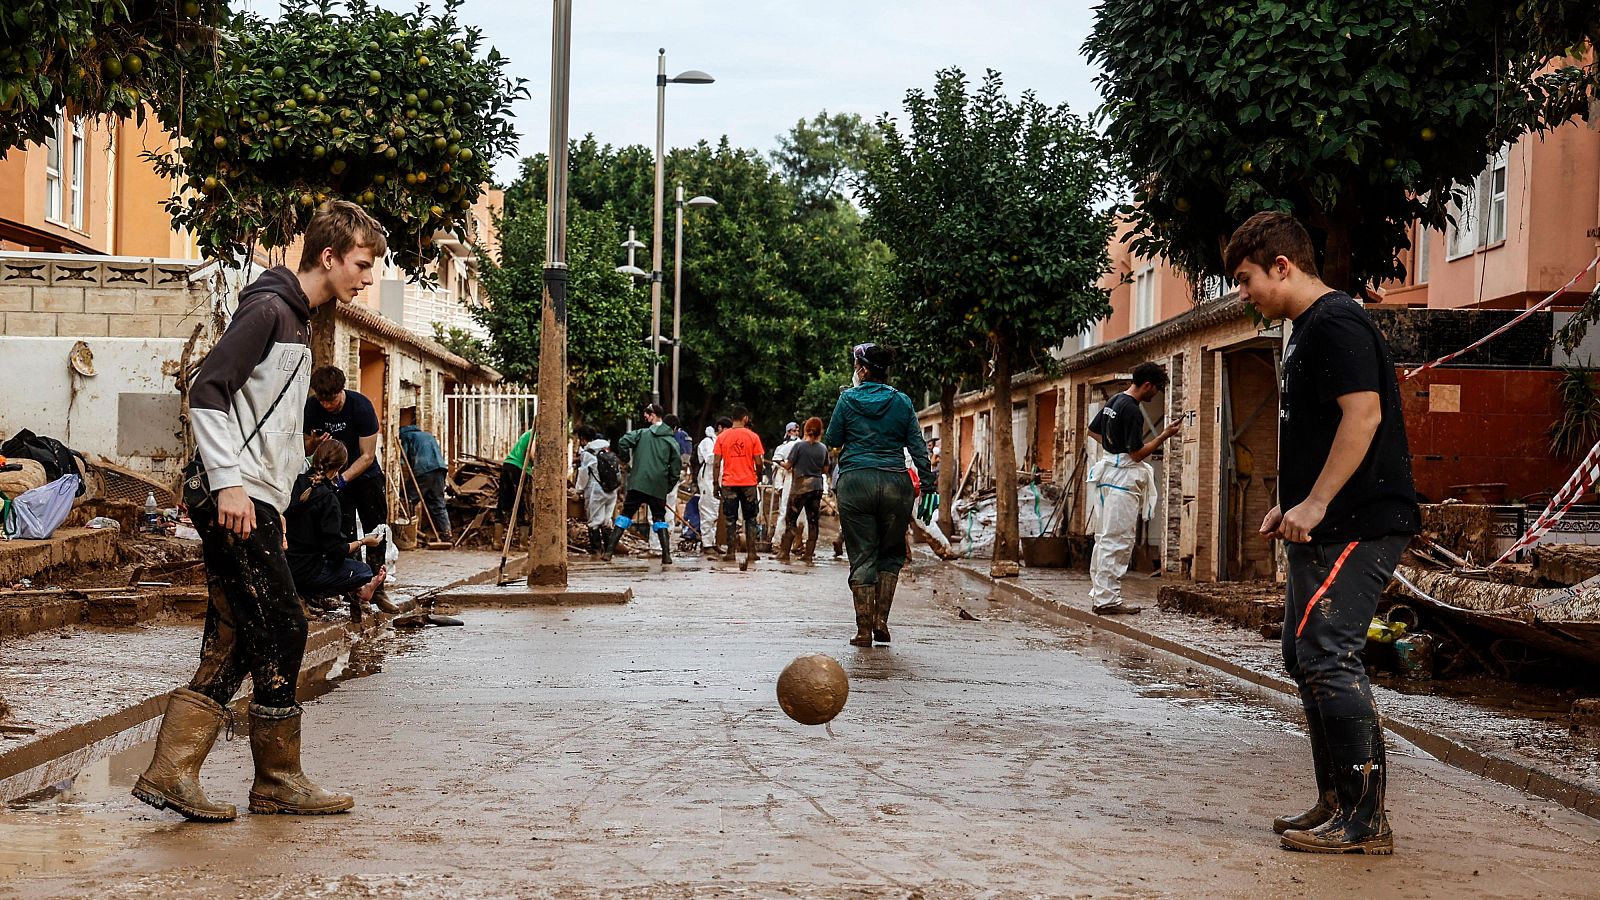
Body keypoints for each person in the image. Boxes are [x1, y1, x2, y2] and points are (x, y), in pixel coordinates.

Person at [133, 200, 381, 822]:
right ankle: (275, 778)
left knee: (238, 631)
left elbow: (260, 416)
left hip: (256, 494)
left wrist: (296, 467)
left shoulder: (298, 321)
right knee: (284, 625)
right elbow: (208, 389)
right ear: (328, 256)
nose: (368, 276)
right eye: (361, 262)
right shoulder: (269, 308)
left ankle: (174, 770)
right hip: (233, 498)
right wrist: (230, 483)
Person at [1227, 211, 1419, 855]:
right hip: (1322, 522)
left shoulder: (1335, 321)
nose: (1244, 293)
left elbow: (1362, 418)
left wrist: (1315, 503)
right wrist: (1292, 507)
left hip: (1359, 520)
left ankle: (1366, 821)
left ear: (1283, 266)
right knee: (1303, 654)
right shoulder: (1306, 329)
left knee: (1328, 653)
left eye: (1248, 278)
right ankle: (1337, 800)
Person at [824, 343, 932, 647]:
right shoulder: (903, 402)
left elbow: (832, 439)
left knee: (862, 554)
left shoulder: (847, 399)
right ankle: (881, 621)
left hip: (856, 482)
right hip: (896, 484)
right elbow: (917, 446)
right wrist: (930, 484)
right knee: (891, 553)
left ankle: (863, 630)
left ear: (862, 369)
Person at [1084, 362, 1183, 616]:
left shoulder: (1115, 400)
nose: (1156, 394)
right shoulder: (1133, 411)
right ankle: (1107, 600)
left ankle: (1101, 594)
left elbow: (1093, 430)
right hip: (1122, 481)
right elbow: (1137, 454)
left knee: (1104, 539)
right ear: (1147, 385)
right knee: (1118, 540)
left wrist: (1112, 449)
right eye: (1157, 389)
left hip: (1107, 475)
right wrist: (1164, 435)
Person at [303, 366, 393, 608]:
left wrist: (342, 480)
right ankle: (351, 588)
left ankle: (378, 588)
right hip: (332, 476)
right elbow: (305, 447)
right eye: (322, 400)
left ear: (341, 391)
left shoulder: (361, 406)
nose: (326, 406)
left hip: (364, 477)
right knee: (342, 533)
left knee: (376, 531)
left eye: (330, 400)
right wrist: (314, 442)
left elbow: (367, 456)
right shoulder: (312, 407)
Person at [286, 440, 386, 618]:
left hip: (285, 566)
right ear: (340, 467)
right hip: (306, 571)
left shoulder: (296, 483)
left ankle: (302, 595)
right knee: (363, 571)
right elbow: (336, 551)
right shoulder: (328, 498)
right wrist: (363, 541)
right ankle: (305, 595)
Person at [607, 404, 682, 564]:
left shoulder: (642, 433)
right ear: (674, 428)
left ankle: (608, 552)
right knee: (659, 518)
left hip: (637, 484)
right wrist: (666, 487)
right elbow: (676, 470)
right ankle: (666, 556)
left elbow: (623, 441)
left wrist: (626, 459)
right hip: (657, 487)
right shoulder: (672, 443)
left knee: (625, 515)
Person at [714, 405, 765, 571]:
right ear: (745, 418)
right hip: (748, 483)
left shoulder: (722, 437)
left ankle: (730, 552)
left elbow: (716, 463)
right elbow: (759, 462)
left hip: (729, 483)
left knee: (730, 519)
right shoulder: (753, 437)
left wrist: (716, 483)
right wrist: (757, 476)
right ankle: (751, 552)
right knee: (750, 518)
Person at [777, 417, 827, 564]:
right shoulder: (823, 448)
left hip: (800, 487)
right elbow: (825, 469)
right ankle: (809, 555)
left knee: (791, 519)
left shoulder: (799, 447)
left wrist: (779, 462)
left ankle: (784, 552)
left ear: (806, 430)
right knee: (813, 521)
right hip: (817, 487)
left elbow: (788, 466)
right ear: (820, 432)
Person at [397, 407, 450, 541]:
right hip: (440, 469)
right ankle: (447, 534)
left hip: (424, 471)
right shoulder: (427, 435)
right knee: (438, 503)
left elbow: (403, 458)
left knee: (407, 498)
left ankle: (408, 531)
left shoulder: (406, 436)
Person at [574, 425, 619, 555]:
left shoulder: (587, 453)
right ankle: (609, 551)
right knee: (606, 521)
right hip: (611, 490)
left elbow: (583, 475)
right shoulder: (606, 448)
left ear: (583, 439)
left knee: (594, 522)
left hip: (596, 490)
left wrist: (578, 491)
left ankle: (597, 552)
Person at [697, 417, 730, 557]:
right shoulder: (707, 442)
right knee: (707, 511)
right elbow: (710, 459)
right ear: (720, 428)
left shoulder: (720, 442)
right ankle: (707, 544)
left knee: (717, 512)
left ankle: (714, 542)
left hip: (719, 481)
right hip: (708, 481)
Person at [770, 421, 801, 546]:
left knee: (801, 514)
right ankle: (777, 542)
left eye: (797, 431)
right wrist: (779, 486)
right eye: (793, 431)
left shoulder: (800, 444)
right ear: (788, 432)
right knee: (784, 511)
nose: (796, 433)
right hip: (788, 479)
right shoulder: (784, 447)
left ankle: (799, 543)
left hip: (800, 480)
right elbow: (776, 463)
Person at [499, 429, 532, 519]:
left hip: (508, 465)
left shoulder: (528, 433)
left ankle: (499, 529)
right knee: (523, 506)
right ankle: (523, 531)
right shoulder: (536, 434)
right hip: (519, 469)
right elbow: (532, 453)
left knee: (503, 504)